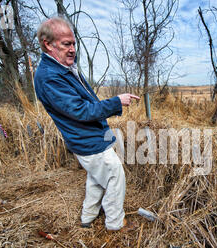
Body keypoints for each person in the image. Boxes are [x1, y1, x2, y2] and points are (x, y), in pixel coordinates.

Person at [34, 16, 139, 231]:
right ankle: (115, 223)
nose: (73, 49)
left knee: (96, 178)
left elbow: (85, 102)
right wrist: (115, 102)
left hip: (91, 135)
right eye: (66, 44)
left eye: (73, 43)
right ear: (48, 44)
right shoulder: (49, 77)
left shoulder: (63, 68)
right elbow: (81, 111)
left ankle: (88, 217)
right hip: (86, 139)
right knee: (114, 175)